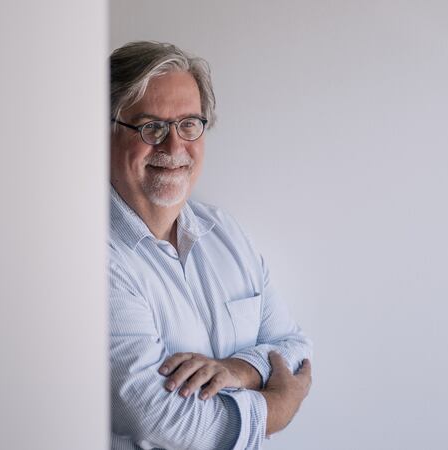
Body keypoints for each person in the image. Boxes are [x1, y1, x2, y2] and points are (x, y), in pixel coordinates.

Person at [108, 41, 313, 450]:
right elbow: (157, 418)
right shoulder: (86, 256)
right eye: (150, 126)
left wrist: (240, 369)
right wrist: (278, 408)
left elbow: (296, 349)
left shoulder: (226, 232)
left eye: (188, 124)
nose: (173, 146)